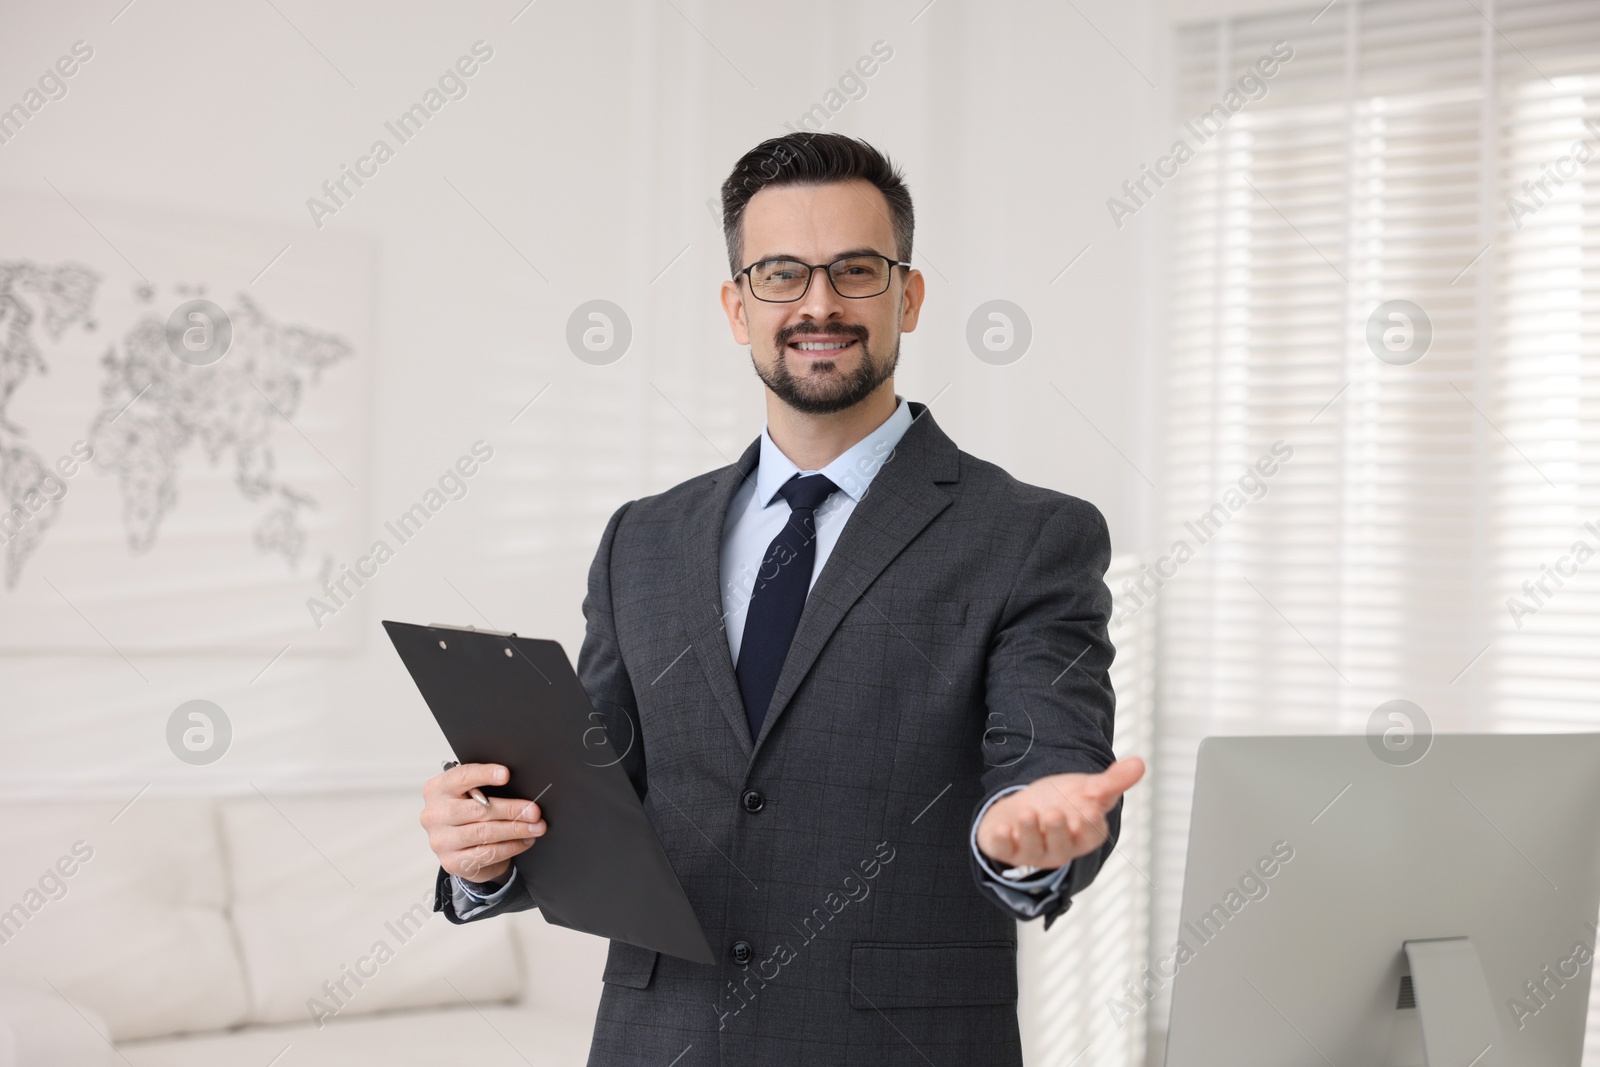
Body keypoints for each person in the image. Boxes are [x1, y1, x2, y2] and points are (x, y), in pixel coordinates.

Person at [419, 131, 1145, 1065]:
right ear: (735, 305)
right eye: (780, 275)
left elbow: (1052, 766)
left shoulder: (1029, 535)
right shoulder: (640, 539)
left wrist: (1030, 835)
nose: (819, 304)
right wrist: (487, 851)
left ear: (908, 296)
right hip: (658, 1036)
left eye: (855, 269)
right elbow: (597, 788)